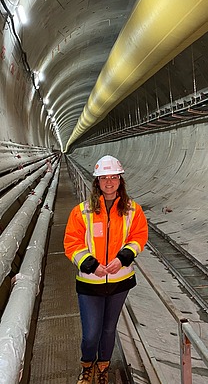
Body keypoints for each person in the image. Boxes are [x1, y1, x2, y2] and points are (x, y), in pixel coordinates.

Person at [64, 155, 148, 384]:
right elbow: (72, 243)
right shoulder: (82, 211)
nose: (109, 182)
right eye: (104, 178)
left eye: (113, 177)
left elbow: (139, 237)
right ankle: (87, 366)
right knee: (91, 333)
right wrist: (91, 265)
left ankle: (103, 368)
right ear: (97, 182)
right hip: (90, 283)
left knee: (109, 330)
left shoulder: (133, 210)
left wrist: (122, 259)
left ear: (120, 180)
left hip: (120, 282)